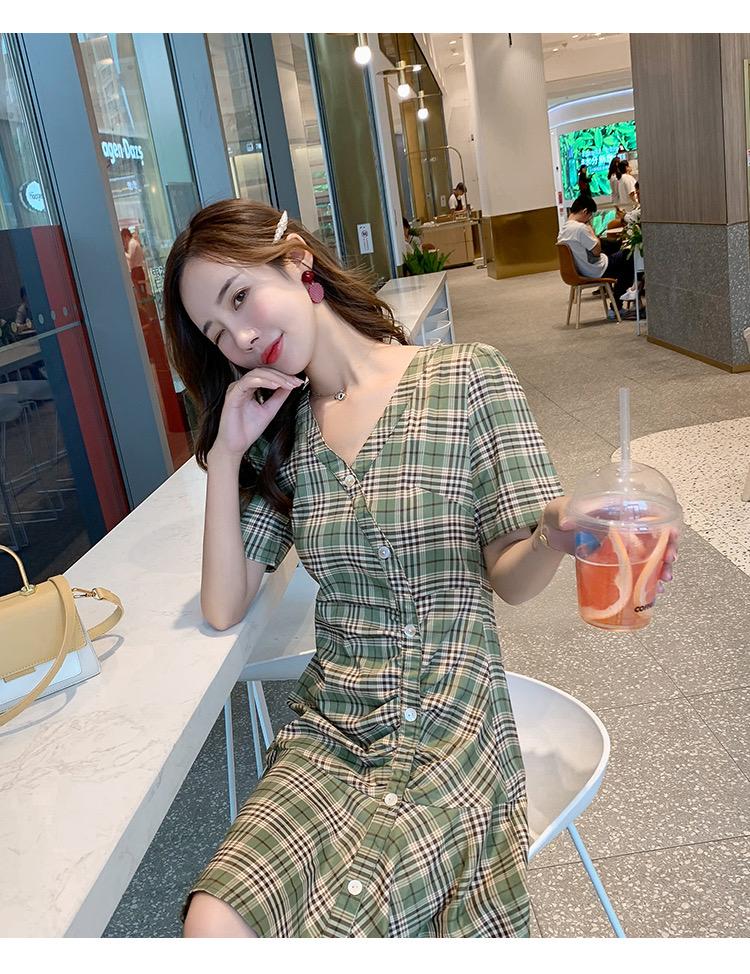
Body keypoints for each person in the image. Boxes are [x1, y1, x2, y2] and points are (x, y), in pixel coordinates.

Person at [160, 198, 678, 939]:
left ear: (297, 261)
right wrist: (228, 454)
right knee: (211, 923)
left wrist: (554, 532)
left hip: (452, 728)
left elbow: (509, 578)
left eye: (240, 297)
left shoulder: (467, 378)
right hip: (331, 730)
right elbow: (222, 604)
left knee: (343, 930)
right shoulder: (284, 434)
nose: (241, 337)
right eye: (218, 332)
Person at [557, 195, 635, 317]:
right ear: (585, 211)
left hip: (583, 269)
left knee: (615, 247)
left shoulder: (563, 230)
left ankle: (620, 302)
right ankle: (617, 307)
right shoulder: (580, 228)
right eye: (590, 215)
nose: (590, 218)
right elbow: (597, 251)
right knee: (630, 257)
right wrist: (591, 230)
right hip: (597, 269)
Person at [120, 226, 148, 298]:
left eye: (123, 239)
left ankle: (143, 302)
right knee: (140, 290)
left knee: (140, 291)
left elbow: (130, 257)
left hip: (136, 270)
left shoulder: (132, 243)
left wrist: (123, 252)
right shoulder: (134, 243)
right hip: (137, 269)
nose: (124, 241)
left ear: (126, 236)